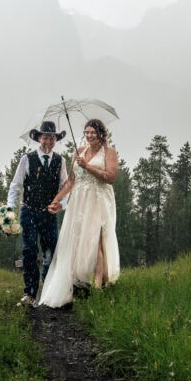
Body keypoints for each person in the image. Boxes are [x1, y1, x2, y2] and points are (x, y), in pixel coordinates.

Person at [38, 118, 120, 308]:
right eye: (87, 132)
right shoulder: (78, 152)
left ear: (101, 133)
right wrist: (56, 200)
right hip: (79, 202)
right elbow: (71, 182)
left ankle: (98, 286)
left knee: (96, 240)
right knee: (78, 240)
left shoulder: (109, 152)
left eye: (93, 132)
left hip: (99, 200)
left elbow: (111, 177)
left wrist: (88, 167)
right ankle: (79, 282)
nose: (90, 135)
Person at [7, 121, 69, 306]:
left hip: (49, 214)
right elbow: (15, 185)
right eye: (45, 137)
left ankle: (49, 291)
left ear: (55, 139)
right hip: (29, 211)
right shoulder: (26, 159)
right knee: (29, 251)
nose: (49, 140)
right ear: (38, 138)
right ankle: (30, 293)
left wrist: (61, 205)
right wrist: (10, 209)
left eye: (52, 137)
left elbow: (65, 187)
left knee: (51, 252)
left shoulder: (61, 161)